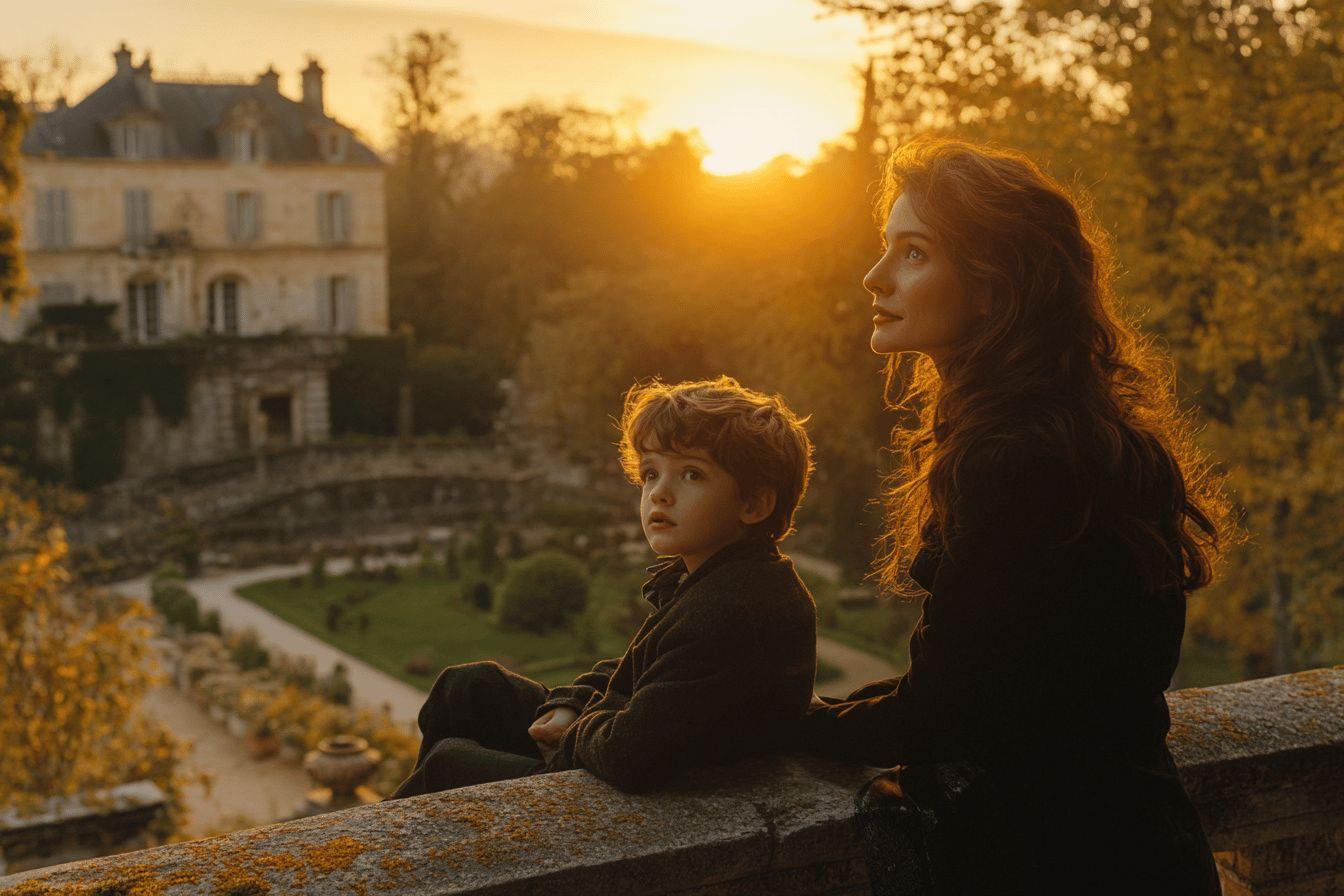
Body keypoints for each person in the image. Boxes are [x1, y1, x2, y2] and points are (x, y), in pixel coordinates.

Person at [789, 137, 1232, 894]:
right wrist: (824, 709)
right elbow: (993, 684)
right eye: (885, 248)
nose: (874, 276)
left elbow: (940, 716)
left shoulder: (1014, 465)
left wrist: (775, 725)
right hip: (1152, 852)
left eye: (914, 254)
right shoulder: (1100, 440)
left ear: (995, 287)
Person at [390, 375, 817, 797]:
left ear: (753, 504)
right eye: (650, 474)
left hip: (646, 801)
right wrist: (572, 701)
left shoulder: (735, 607)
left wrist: (577, 725)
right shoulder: (718, 577)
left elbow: (630, 753)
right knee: (468, 686)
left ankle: (387, 851)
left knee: (450, 763)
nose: (659, 494)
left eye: (691, 475)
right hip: (614, 752)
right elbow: (645, 670)